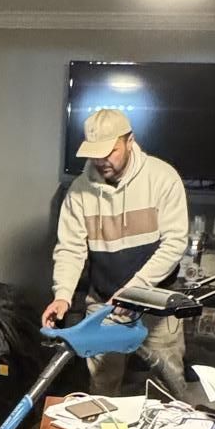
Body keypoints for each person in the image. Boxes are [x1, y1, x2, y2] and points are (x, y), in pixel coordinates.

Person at [43, 106, 189, 395]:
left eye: (109, 151)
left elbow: (174, 243)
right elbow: (71, 249)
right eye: (95, 152)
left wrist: (135, 290)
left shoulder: (162, 178)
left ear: (130, 140)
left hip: (157, 303)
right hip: (105, 305)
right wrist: (62, 296)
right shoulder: (79, 192)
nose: (101, 160)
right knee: (102, 385)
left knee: (169, 386)